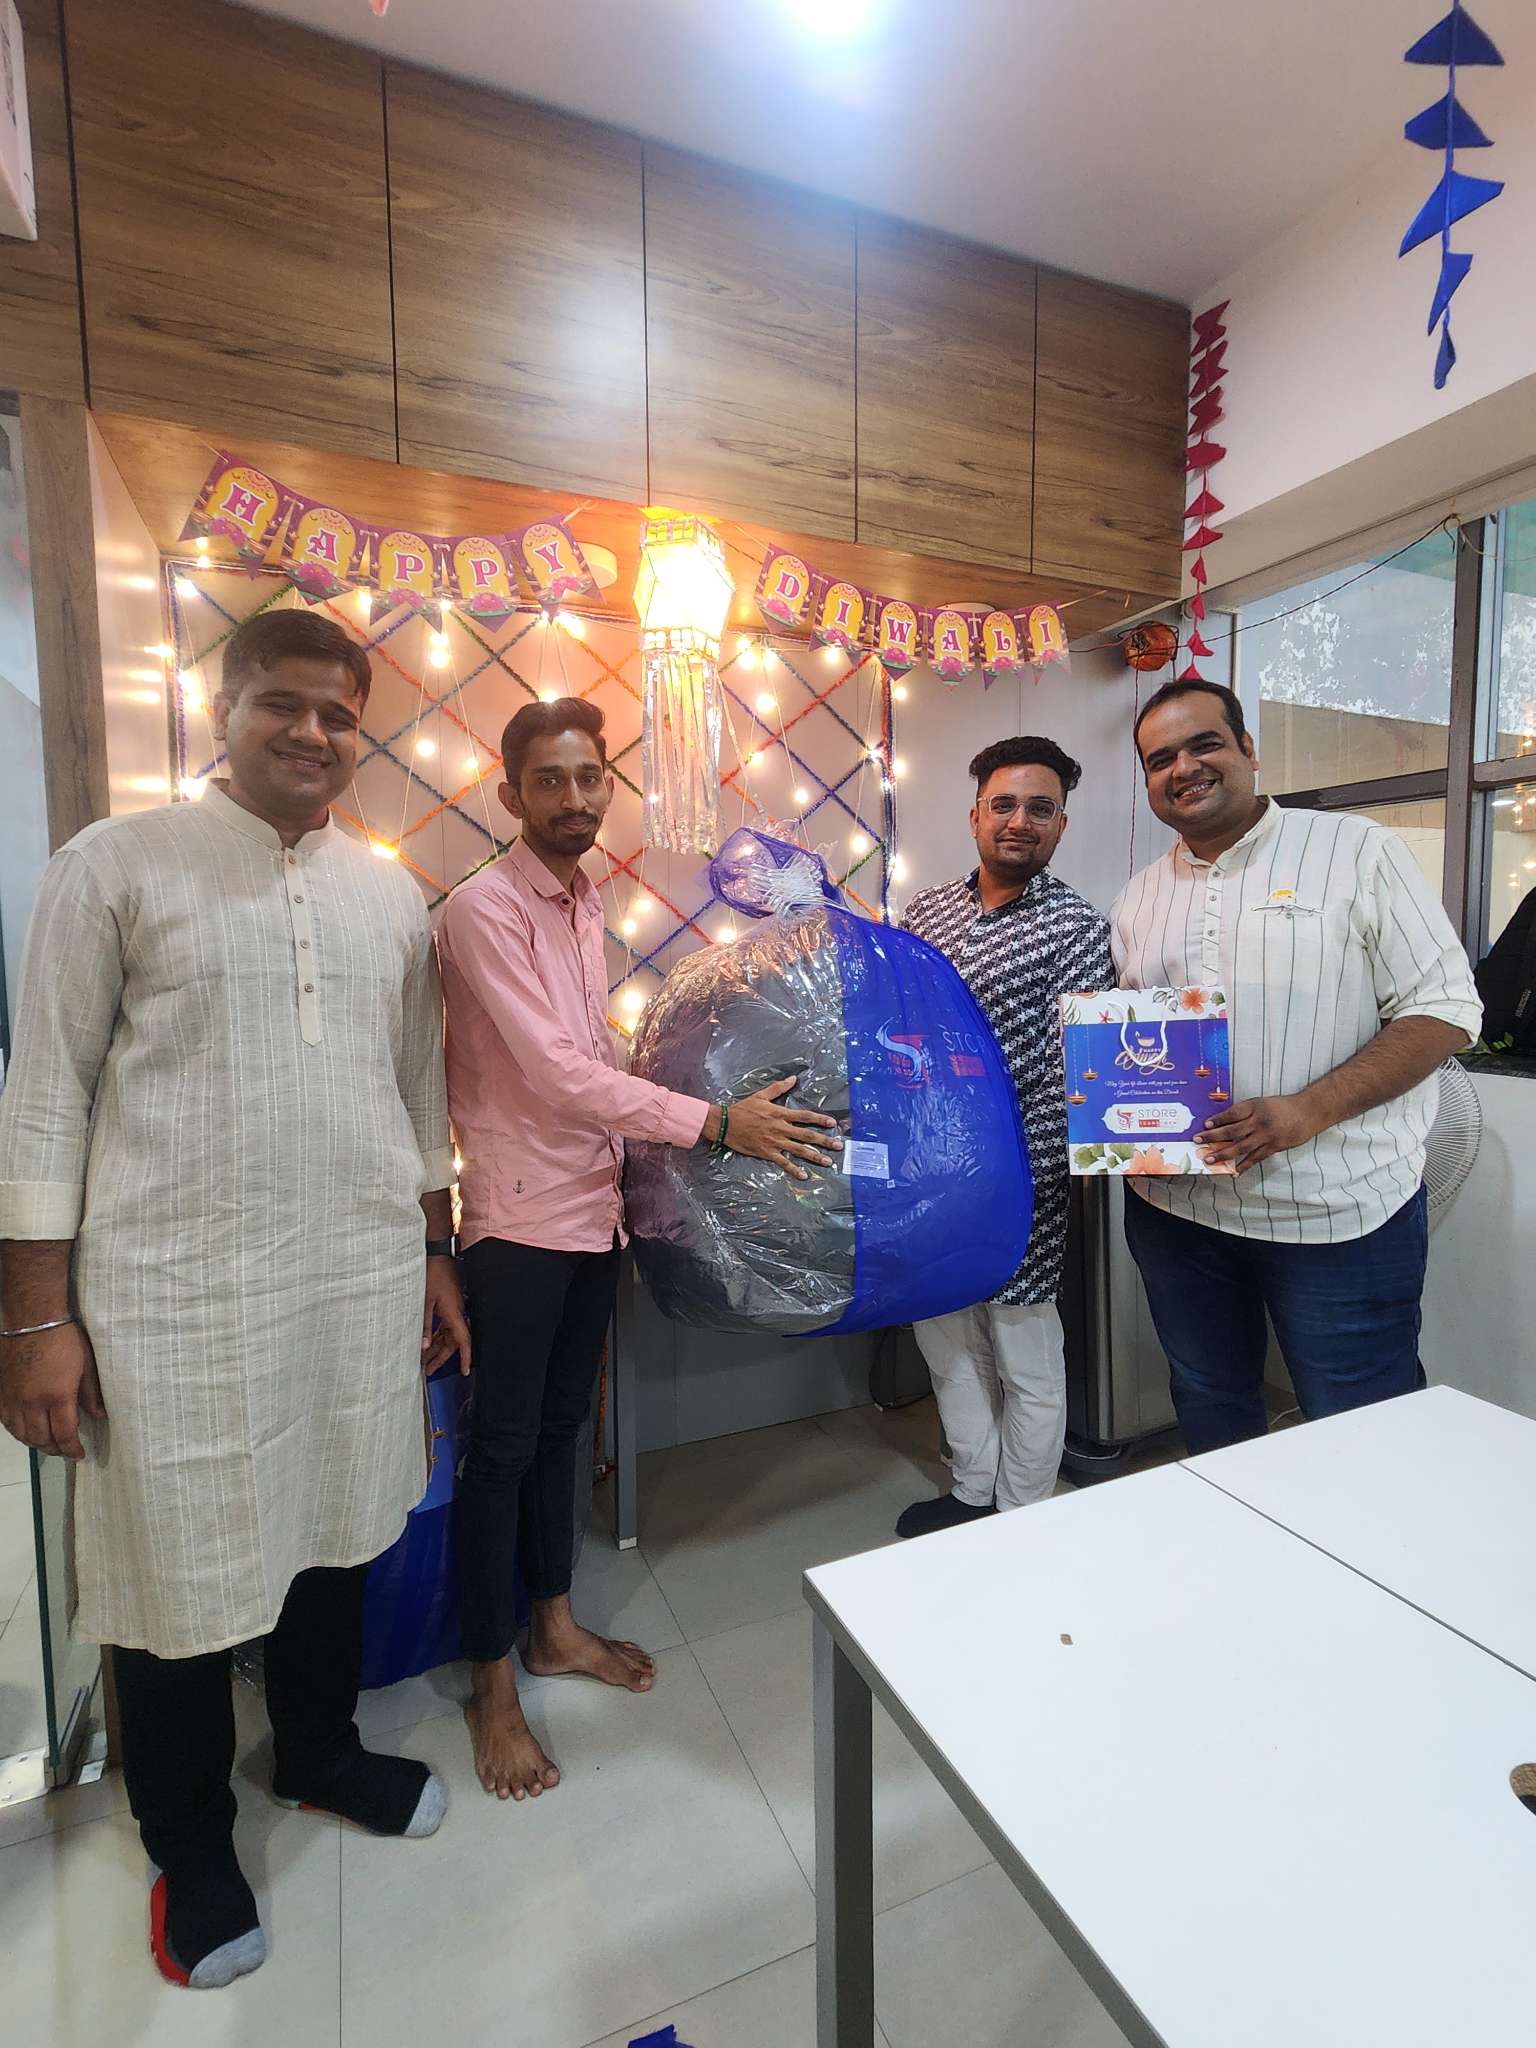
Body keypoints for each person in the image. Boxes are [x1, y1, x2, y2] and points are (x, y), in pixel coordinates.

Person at [0, 609, 470, 1991]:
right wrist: (34, 1319)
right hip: (173, 1298)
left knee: (337, 1520)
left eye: (339, 713)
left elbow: (418, 1089)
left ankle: (317, 1749)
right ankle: (189, 1837)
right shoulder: (114, 865)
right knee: (177, 1565)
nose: (312, 732)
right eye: (281, 703)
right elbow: (44, 1102)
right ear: (223, 709)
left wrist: (435, 1248)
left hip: (353, 1276)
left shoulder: (388, 895)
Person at [436, 696, 840, 1802]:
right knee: (502, 1450)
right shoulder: (482, 908)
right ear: (508, 793)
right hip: (518, 1220)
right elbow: (558, 1074)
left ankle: (553, 1626)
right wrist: (715, 1122)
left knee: (565, 1428)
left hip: (592, 1206)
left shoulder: (583, 898)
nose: (574, 798)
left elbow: (595, 1052)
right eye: (549, 780)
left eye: (589, 777)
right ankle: (490, 1684)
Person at [1111, 677, 1482, 1454]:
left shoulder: (1356, 851)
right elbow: (1139, 1048)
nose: (1184, 768)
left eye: (1204, 744)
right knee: (1210, 1405)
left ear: (1248, 749)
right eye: (1160, 759)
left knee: (1362, 1427)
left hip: (1338, 1213)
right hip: (1176, 1215)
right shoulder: (1138, 897)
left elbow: (1445, 1009)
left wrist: (1306, 1111)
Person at [894, 736, 1112, 1538]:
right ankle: (971, 1488)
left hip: (1021, 1180)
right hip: (926, 1174)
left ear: (1060, 826)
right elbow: (898, 1027)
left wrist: (1019, 1172)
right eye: (1005, 804)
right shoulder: (925, 914)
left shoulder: (1079, 929)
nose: (1020, 821)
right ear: (976, 814)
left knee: (1024, 1350)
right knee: (946, 1337)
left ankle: (1024, 1515)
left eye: (1041, 809)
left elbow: (1080, 1072)